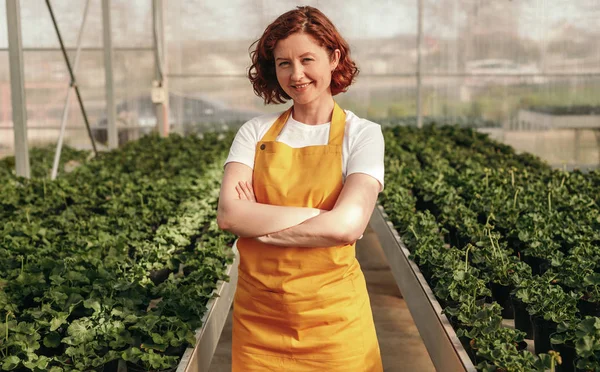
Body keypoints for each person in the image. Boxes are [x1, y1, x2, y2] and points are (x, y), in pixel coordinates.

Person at [217, 6, 385, 371]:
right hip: (260, 322)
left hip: (335, 325)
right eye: (283, 64)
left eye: (307, 59)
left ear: (334, 57)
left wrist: (261, 222)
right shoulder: (254, 132)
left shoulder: (363, 134)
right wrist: (321, 218)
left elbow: (348, 227)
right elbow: (231, 215)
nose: (297, 75)